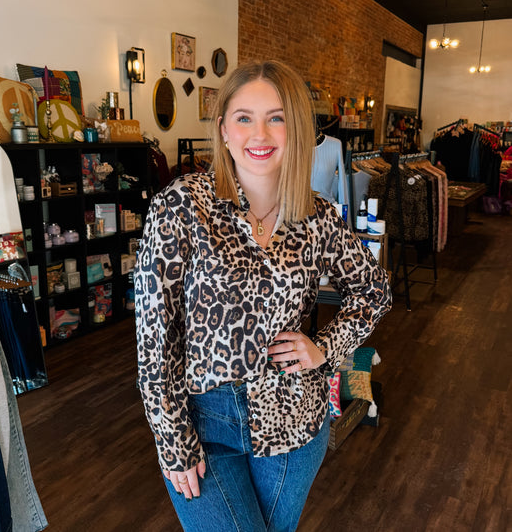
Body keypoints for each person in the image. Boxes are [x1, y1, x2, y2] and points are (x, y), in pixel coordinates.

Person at [135, 60, 392, 532]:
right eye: (244, 117)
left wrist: (325, 348)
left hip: (294, 423)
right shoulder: (182, 206)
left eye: (276, 117)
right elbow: (155, 338)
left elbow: (374, 291)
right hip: (205, 422)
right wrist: (173, 440)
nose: (261, 134)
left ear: (295, 129)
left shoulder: (316, 216)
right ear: (224, 130)